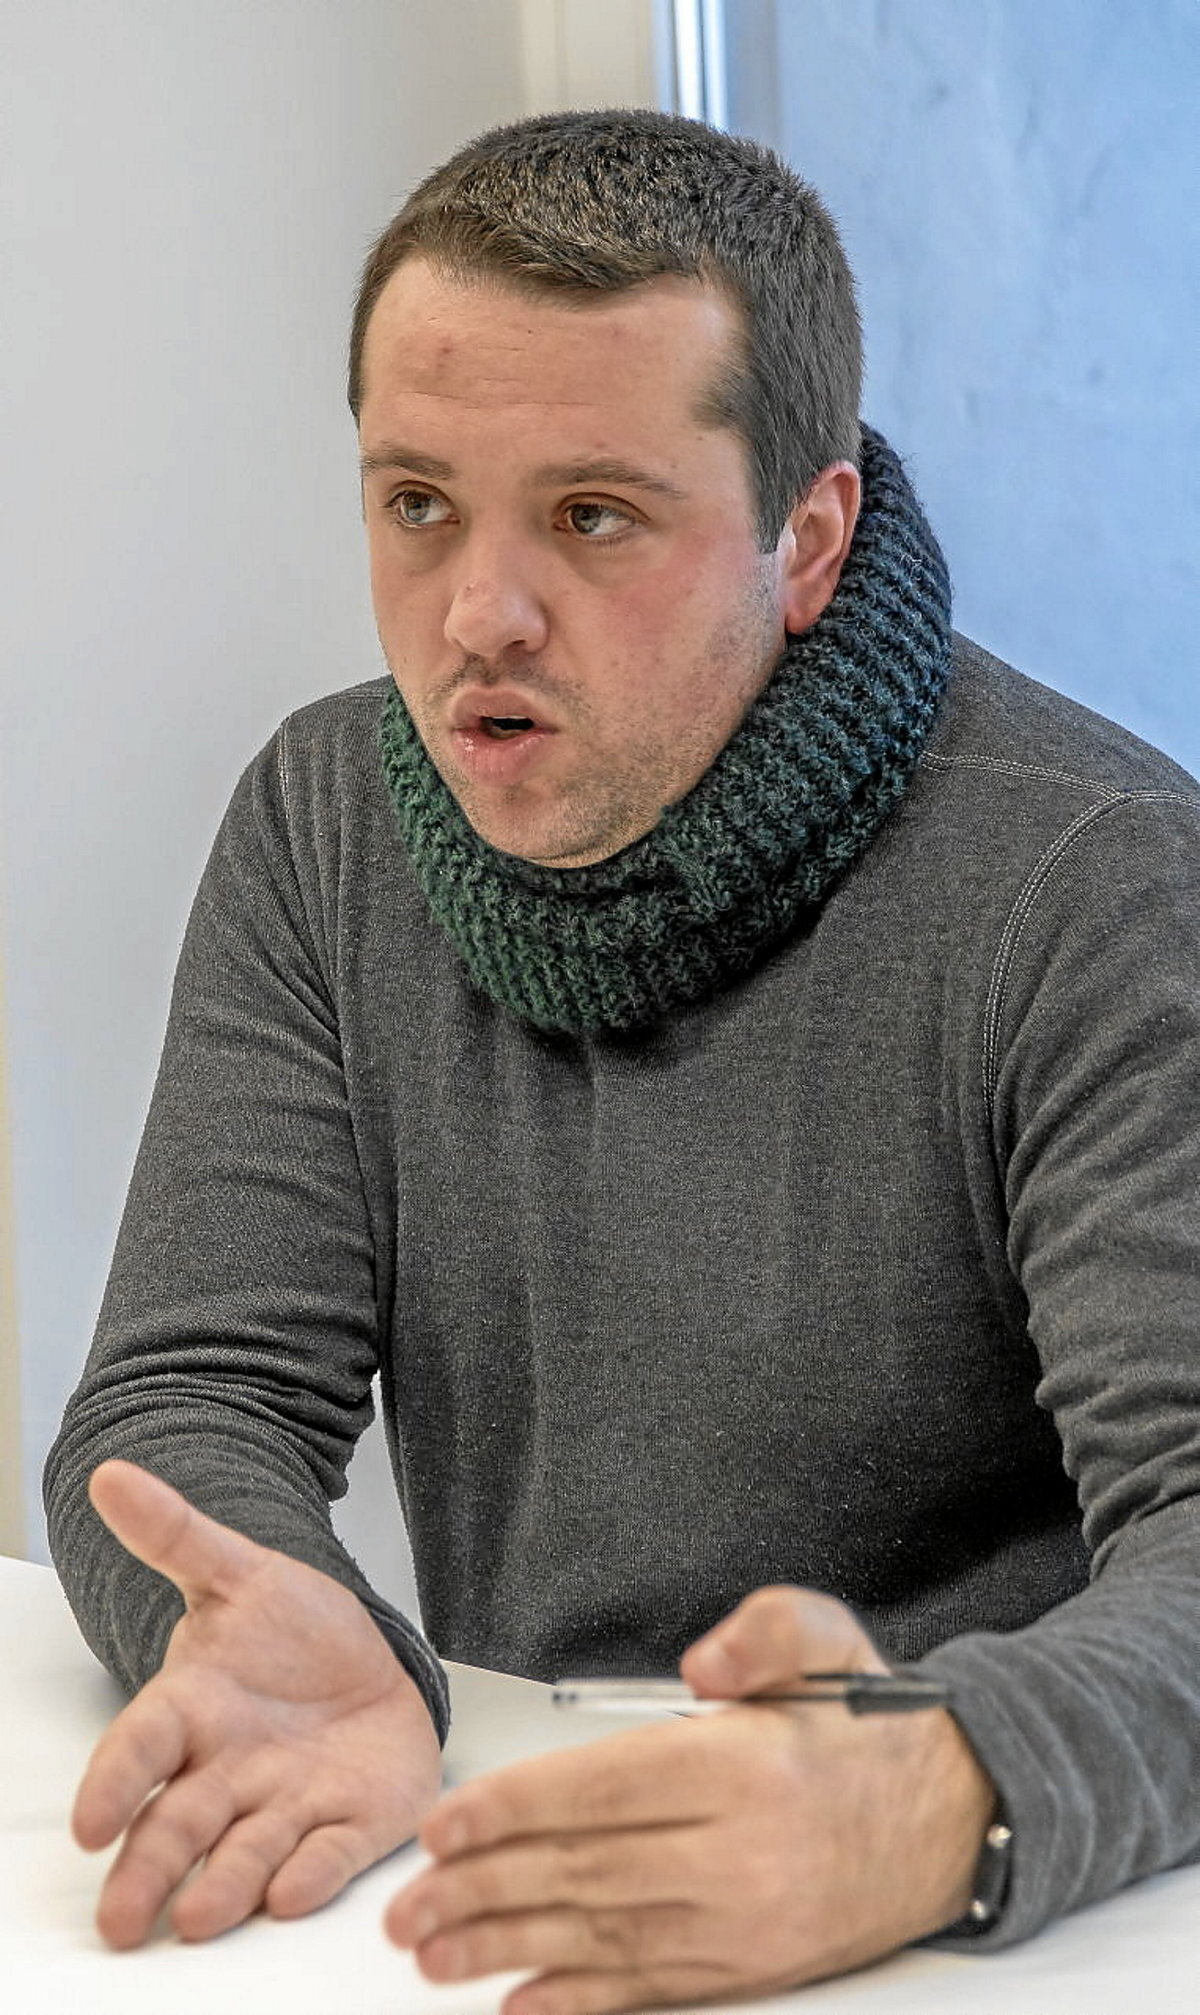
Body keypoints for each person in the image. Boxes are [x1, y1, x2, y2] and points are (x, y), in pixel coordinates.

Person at [44, 107, 1199, 2014]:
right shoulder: (329, 821)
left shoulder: (1097, 877)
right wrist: (272, 1622)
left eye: (592, 517)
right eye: (419, 504)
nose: (477, 616)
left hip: (1002, 1920)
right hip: (514, 1872)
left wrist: (941, 1788)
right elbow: (190, 1396)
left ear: (807, 539)